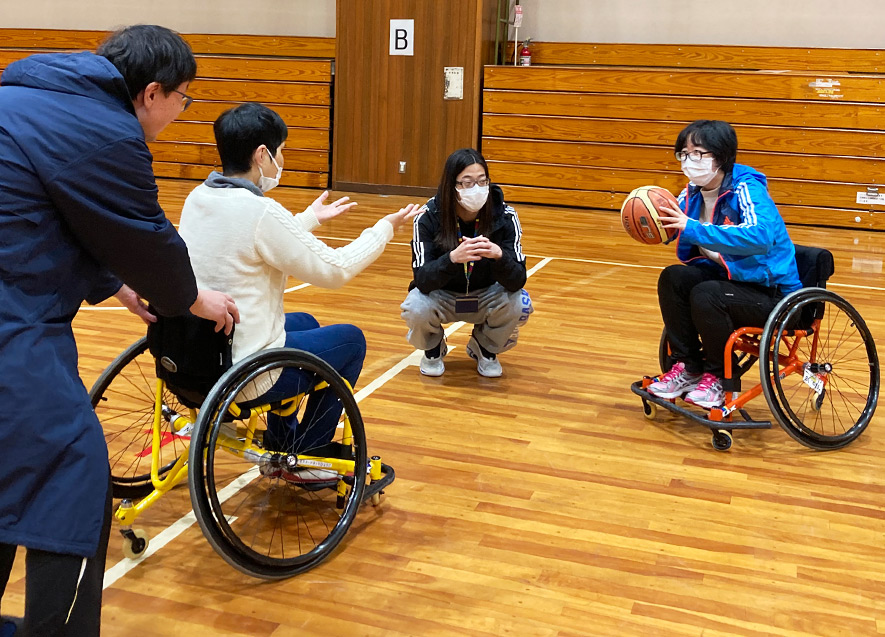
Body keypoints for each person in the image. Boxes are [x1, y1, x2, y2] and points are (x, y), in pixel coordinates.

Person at [0, 25, 239, 636]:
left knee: (16, 468)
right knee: (73, 471)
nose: (182, 112)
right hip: (14, 321)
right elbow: (146, 236)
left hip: (17, 303)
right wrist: (192, 298)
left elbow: (50, 210)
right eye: (184, 98)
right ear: (152, 92)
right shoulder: (105, 129)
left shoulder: (32, 96)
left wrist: (114, 284)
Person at [177, 103, 418, 480]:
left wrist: (305, 220)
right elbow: (334, 270)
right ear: (262, 155)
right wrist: (382, 230)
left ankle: (280, 443)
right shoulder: (260, 211)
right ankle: (308, 453)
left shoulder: (198, 198)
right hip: (243, 369)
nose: (281, 160)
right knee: (351, 341)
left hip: (199, 351)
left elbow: (248, 244)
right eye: (280, 151)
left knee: (305, 321)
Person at [647, 119, 801, 408]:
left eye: (698, 153)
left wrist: (692, 227)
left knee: (706, 294)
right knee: (673, 278)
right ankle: (688, 368)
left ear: (721, 155)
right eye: (684, 153)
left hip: (773, 294)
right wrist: (650, 225)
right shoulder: (690, 192)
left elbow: (761, 235)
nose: (689, 161)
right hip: (730, 282)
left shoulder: (746, 187)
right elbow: (675, 226)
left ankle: (718, 379)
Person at [401, 148, 533, 378]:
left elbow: (518, 280)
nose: (477, 189)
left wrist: (499, 256)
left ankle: (484, 348)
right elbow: (421, 279)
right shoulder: (428, 216)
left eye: (482, 181)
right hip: (442, 296)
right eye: (467, 182)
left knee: (520, 303)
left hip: (487, 295)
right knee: (415, 306)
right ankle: (433, 349)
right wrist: (451, 259)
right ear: (452, 185)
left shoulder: (506, 216)